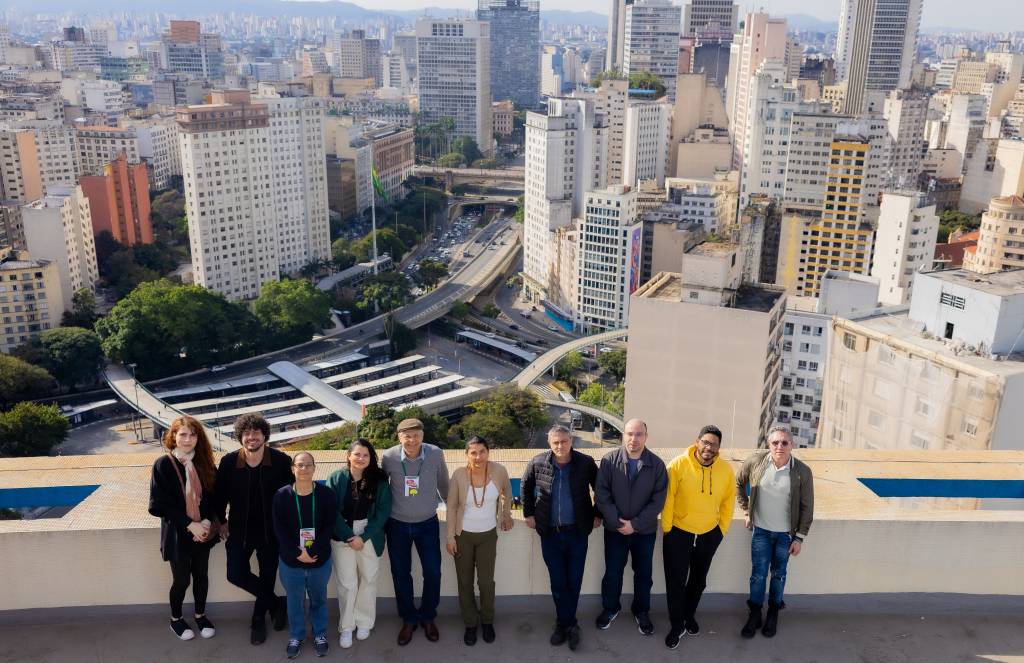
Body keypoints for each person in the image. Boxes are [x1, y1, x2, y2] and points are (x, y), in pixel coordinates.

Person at [214, 413, 293, 645]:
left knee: (267, 576)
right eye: (246, 433)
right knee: (235, 573)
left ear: (265, 435)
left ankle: (258, 619)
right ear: (240, 436)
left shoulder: (281, 461)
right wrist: (221, 520)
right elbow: (219, 495)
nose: (251, 437)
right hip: (239, 530)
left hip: (271, 532)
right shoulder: (229, 462)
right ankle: (277, 604)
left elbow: (291, 496)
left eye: (256, 432)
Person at [521, 425, 600, 652]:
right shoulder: (538, 462)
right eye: (555, 442)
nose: (560, 446)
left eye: (564, 441)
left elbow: (601, 490)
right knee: (558, 582)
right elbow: (526, 487)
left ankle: (564, 624)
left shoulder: (585, 463)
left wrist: (597, 514)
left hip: (577, 532)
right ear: (549, 443)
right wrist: (529, 514)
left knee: (574, 580)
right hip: (550, 533)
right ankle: (569, 624)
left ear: (571, 440)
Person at [661, 424, 736, 650]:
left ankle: (688, 615)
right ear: (697, 442)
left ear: (719, 448)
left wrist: (721, 531)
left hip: (708, 534)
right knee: (675, 582)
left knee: (698, 581)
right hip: (678, 533)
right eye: (705, 442)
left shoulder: (726, 470)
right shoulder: (677, 465)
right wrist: (667, 529)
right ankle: (676, 625)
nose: (708, 448)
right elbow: (668, 498)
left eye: (714, 444)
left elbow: (728, 502)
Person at [736, 425, 814, 639]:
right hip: (760, 531)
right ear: (768, 444)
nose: (780, 446)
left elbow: (807, 507)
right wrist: (746, 510)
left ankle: (773, 612)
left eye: (784, 442)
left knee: (779, 574)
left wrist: (799, 538)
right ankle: (754, 613)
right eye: (775, 442)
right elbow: (739, 483)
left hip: (785, 535)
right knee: (758, 575)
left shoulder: (802, 472)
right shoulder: (756, 462)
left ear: (792, 445)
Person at [148, 416, 221, 641]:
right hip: (178, 534)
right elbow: (159, 505)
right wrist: (191, 525)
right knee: (182, 580)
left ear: (199, 438)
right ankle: (176, 619)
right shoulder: (163, 465)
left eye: (193, 435)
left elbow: (214, 497)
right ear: (173, 436)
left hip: (202, 532)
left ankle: (200, 615)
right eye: (183, 434)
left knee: (201, 576)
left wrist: (206, 523)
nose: (188, 439)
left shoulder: (205, 463)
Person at [594, 418, 668, 636]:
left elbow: (658, 501)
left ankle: (641, 611)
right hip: (615, 531)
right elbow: (602, 495)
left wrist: (635, 524)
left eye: (638, 434)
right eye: (629, 434)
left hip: (644, 532)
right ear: (623, 435)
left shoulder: (657, 465)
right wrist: (619, 523)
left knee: (644, 574)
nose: (633, 439)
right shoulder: (609, 461)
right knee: (613, 572)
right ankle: (610, 608)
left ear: (646, 437)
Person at [381, 418, 450, 646]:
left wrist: (455, 514)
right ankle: (409, 619)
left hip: (427, 523)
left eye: (416, 435)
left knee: (433, 572)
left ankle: (428, 616)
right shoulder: (389, 457)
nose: (412, 440)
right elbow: (381, 488)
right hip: (397, 524)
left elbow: (444, 484)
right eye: (407, 436)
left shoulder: (435, 453)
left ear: (423, 435)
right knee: (401, 574)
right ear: (399, 437)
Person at [445, 436, 514, 646]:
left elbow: (507, 492)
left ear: (488, 452)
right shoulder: (458, 474)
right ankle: (470, 623)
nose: (478, 456)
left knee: (486, 582)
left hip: (488, 535)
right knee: (465, 582)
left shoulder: (499, 471)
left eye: (482, 451)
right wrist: (450, 537)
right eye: (473, 452)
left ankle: (487, 620)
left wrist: (506, 515)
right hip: (462, 536)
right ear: (466, 455)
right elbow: (452, 506)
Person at [325, 439, 392, 649]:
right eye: (357, 454)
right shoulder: (336, 478)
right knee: (347, 583)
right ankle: (346, 626)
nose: (361, 458)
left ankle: (364, 622)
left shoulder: (379, 481)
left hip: (369, 533)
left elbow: (383, 513)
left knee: (369, 579)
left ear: (371, 458)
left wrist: (363, 537)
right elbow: (330, 510)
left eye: (365, 455)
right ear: (349, 456)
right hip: (342, 533)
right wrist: (348, 536)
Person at [273, 451, 337, 659]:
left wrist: (312, 551)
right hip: (291, 561)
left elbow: (329, 526)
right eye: (299, 465)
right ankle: (296, 636)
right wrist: (297, 553)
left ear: (314, 468)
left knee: (319, 599)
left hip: (319, 560)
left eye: (308, 465)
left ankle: (320, 634)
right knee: (294, 601)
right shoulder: (282, 495)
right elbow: (279, 529)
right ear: (293, 469)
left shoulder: (326, 494)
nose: (304, 469)